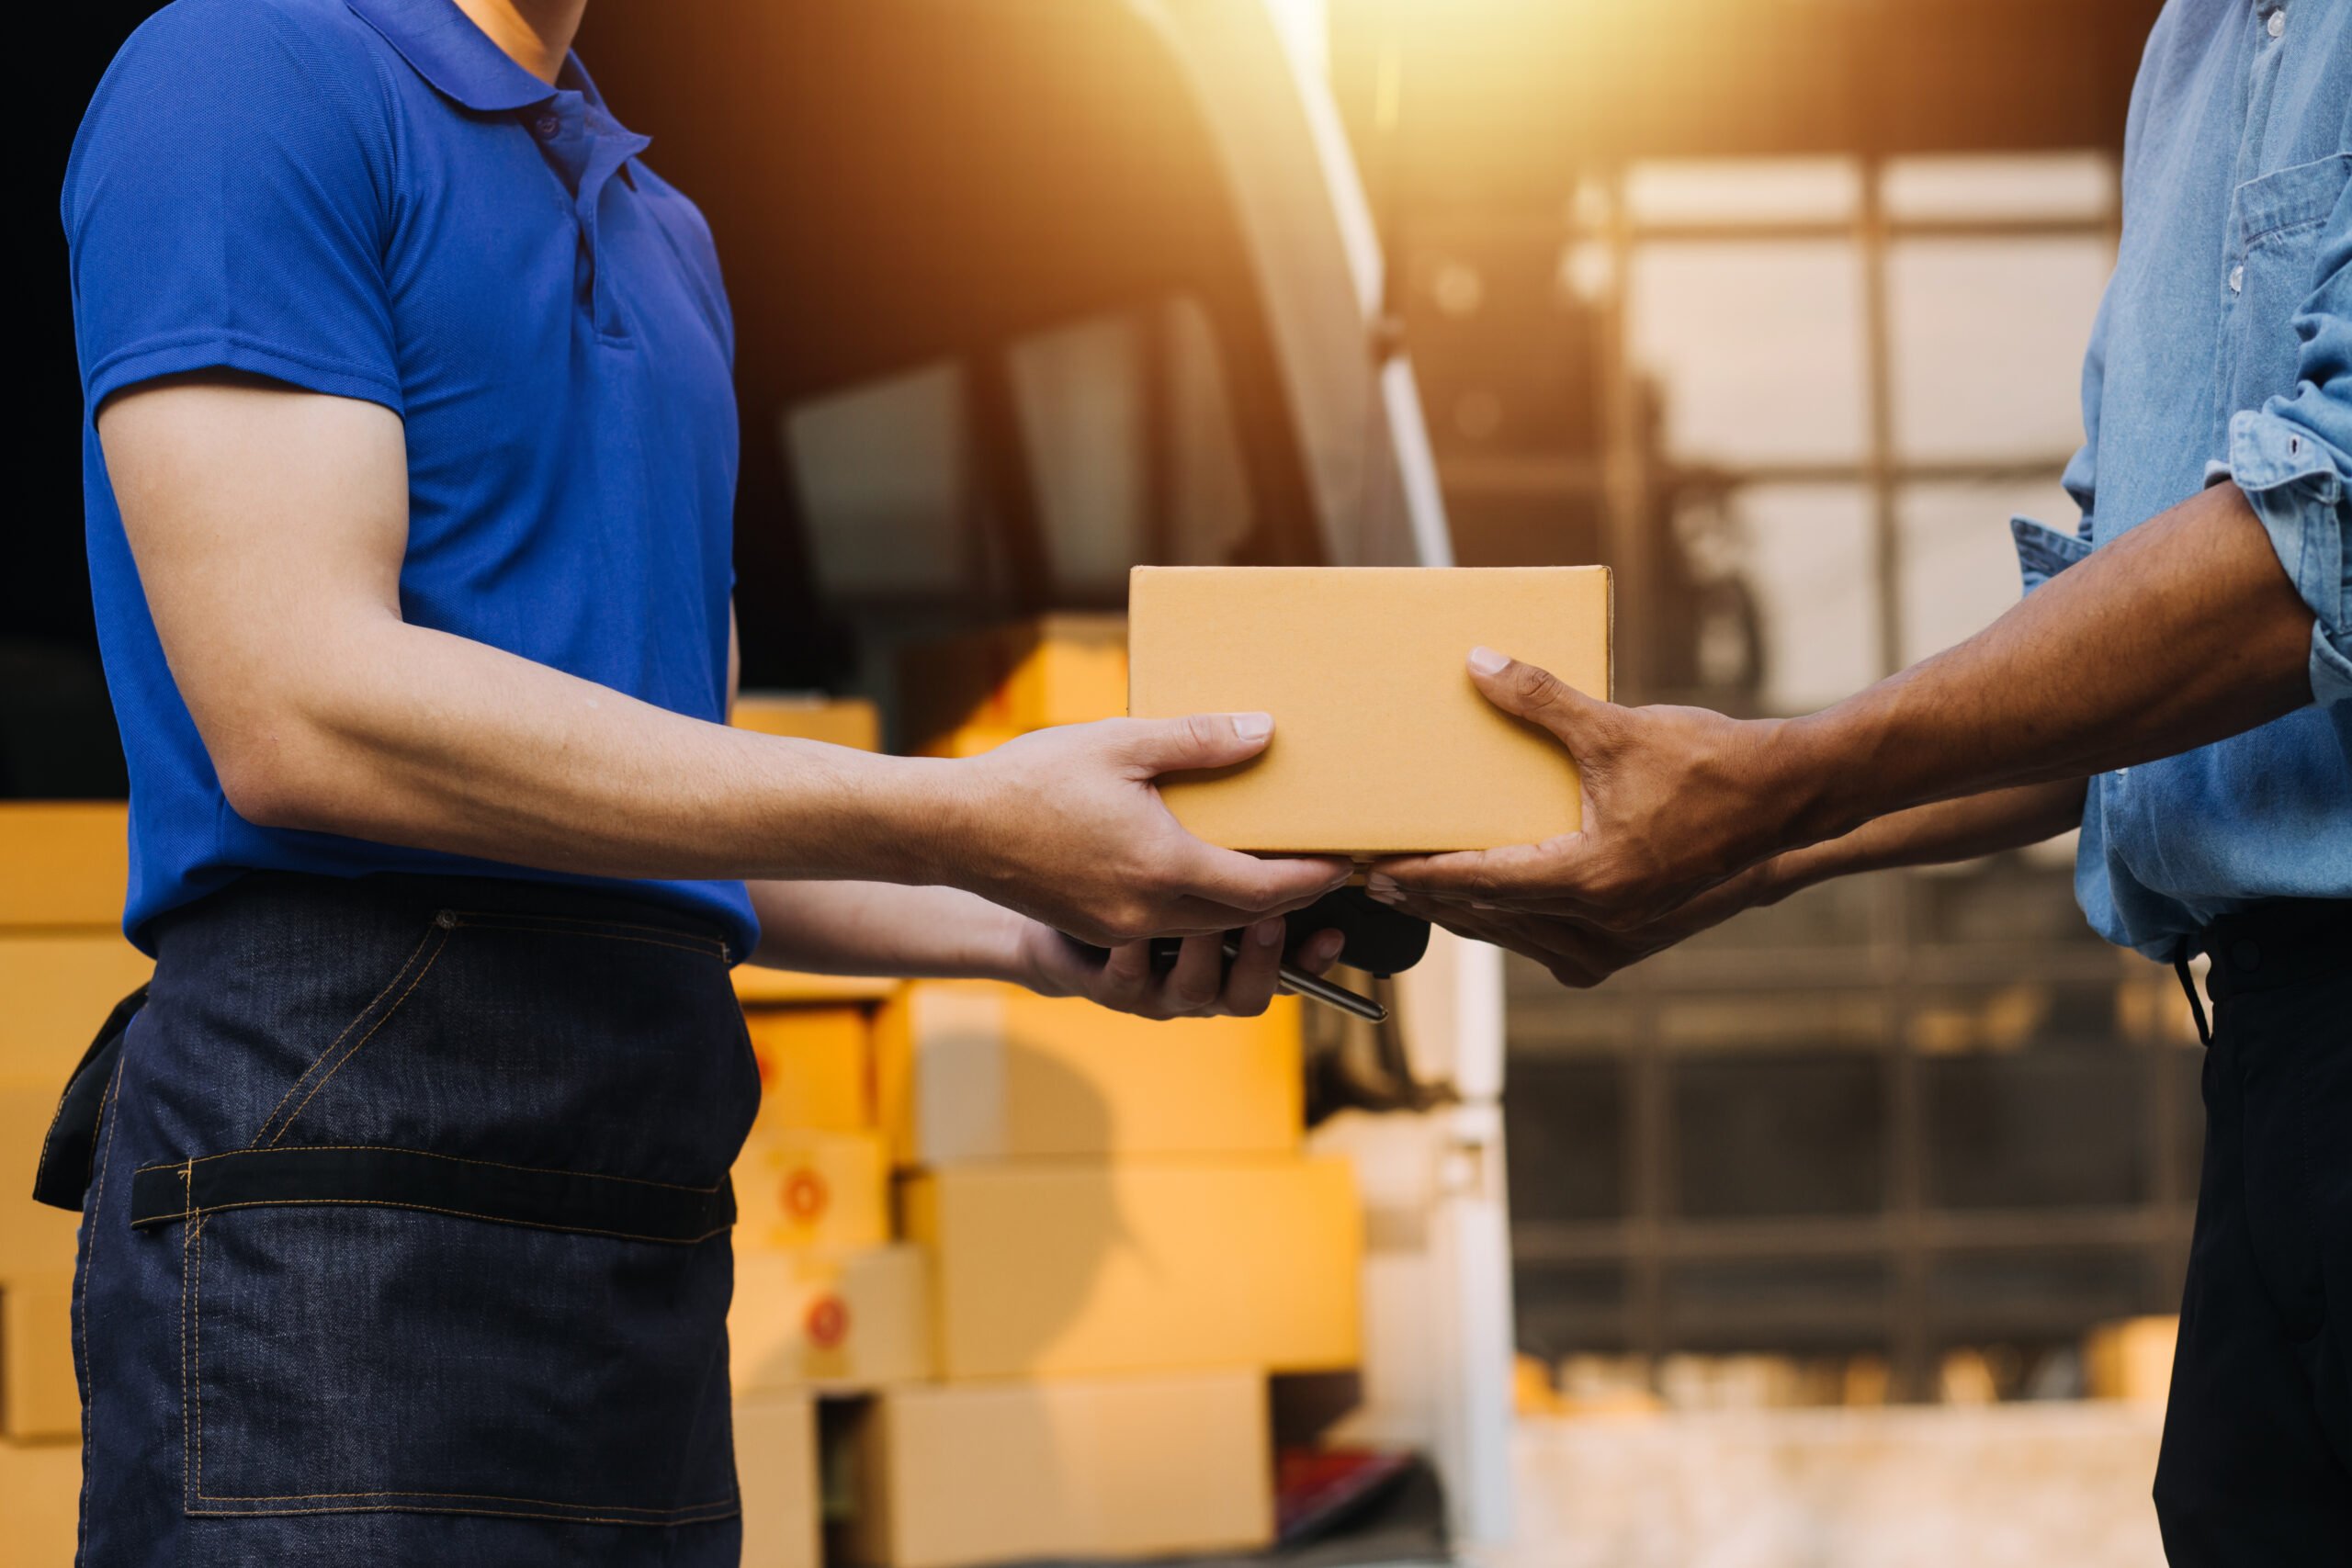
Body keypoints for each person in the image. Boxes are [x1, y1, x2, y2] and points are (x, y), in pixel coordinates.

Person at [54, 0, 1348, 1562]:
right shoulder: (246, 69)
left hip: (642, 1223)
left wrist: (1036, 921)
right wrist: (969, 817)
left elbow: (686, 804)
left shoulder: (666, 238)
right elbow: (302, 707)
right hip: (330, 1217)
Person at [1369, 5, 2352, 1560]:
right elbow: (2116, 646)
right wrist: (1739, 852)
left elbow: (2320, 544)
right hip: (2266, 1065)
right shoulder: (2192, 52)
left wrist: (1782, 780)